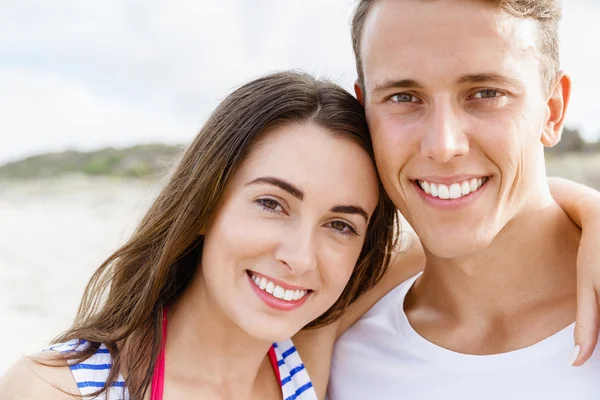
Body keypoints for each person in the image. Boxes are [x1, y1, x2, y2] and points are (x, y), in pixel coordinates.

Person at [0, 71, 400, 399]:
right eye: (271, 204)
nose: (300, 258)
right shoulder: (54, 390)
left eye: (340, 225)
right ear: (205, 203)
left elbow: (444, 242)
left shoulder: (302, 359)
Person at [327, 0, 600, 399]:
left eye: (485, 93)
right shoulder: (334, 349)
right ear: (364, 111)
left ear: (552, 111)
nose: (443, 145)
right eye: (404, 97)